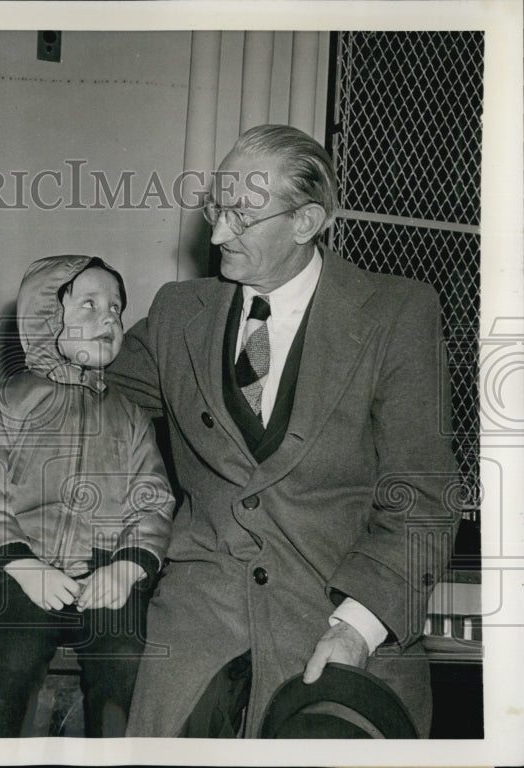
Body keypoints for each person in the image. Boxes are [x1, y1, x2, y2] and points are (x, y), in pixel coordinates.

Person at [106, 124, 460, 738]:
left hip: (336, 633)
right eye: (216, 208)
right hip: (196, 640)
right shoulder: (176, 313)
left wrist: (358, 628)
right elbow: (92, 400)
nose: (218, 234)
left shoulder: (396, 313)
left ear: (306, 221)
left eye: (243, 216)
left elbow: (424, 496)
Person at [0, 255, 175, 737]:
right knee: (12, 657)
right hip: (22, 571)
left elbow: (153, 499)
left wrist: (128, 566)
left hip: (103, 573)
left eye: (116, 308)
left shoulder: (130, 417)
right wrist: (22, 565)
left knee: (125, 657)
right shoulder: (4, 403)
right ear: (47, 317)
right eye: (90, 305)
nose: (109, 318)